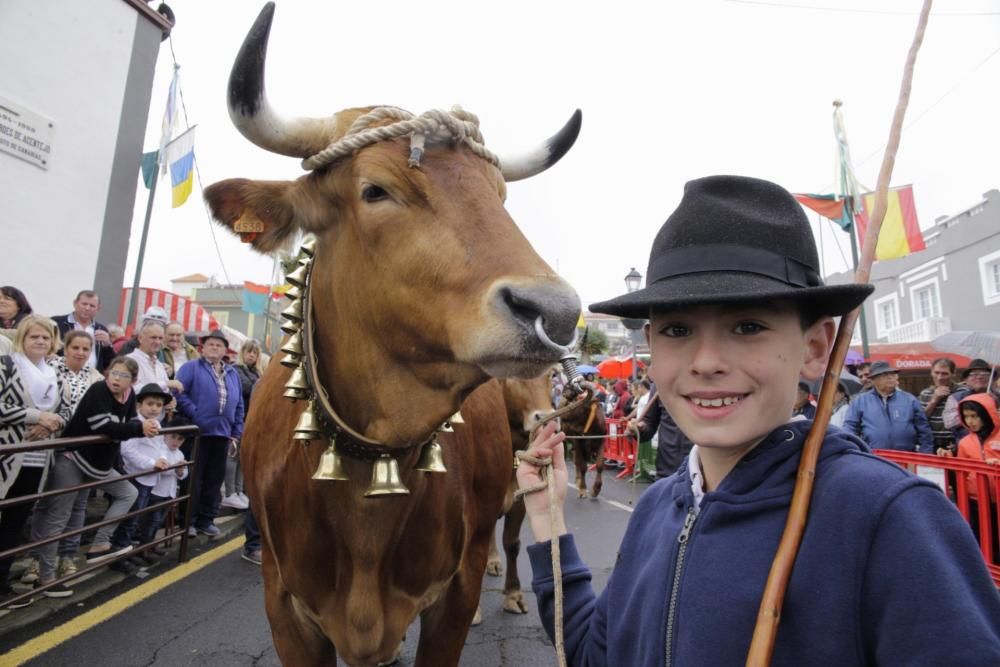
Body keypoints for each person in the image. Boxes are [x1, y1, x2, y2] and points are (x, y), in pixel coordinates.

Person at [515, 175, 1000, 665]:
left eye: (747, 326)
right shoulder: (656, 509)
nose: (705, 362)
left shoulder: (891, 518)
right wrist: (549, 519)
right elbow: (592, 657)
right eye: (677, 330)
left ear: (813, 350)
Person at [33, 356, 156, 591]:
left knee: (127, 493)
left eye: (124, 376)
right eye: (114, 373)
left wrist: (136, 428)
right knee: (59, 516)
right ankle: (46, 578)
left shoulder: (129, 397)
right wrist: (140, 428)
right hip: (72, 458)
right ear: (107, 373)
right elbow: (105, 426)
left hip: (97, 464)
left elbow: (124, 428)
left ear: (134, 380)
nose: (117, 380)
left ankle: (99, 543)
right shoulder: (98, 389)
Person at [21, 331, 105, 585]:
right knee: (46, 505)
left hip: (81, 450)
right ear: (65, 348)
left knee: (78, 505)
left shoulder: (96, 377)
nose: (80, 352)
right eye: (75, 347)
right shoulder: (50, 369)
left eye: (85, 348)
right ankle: (38, 558)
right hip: (51, 444)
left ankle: (67, 555)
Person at [0, 316, 65, 607]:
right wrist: (36, 417)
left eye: (45, 338)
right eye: (33, 337)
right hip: (7, 456)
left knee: (15, 523)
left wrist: (48, 424)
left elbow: (64, 413)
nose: (40, 342)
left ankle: (1, 585)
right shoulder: (6, 365)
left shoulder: (55, 373)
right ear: (22, 339)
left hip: (37, 459)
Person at [176, 330, 244, 537]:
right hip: (198, 434)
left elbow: (239, 405)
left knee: (215, 481)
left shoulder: (233, 373)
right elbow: (178, 393)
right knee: (194, 480)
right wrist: (195, 413)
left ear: (225, 350)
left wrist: (236, 432)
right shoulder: (191, 368)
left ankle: (207, 519)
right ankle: (189, 522)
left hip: (222, 435)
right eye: (211, 344)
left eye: (219, 345)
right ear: (202, 348)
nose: (214, 348)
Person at [111, 383, 175, 567]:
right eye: (150, 404)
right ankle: (119, 552)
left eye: (158, 405)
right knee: (129, 518)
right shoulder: (134, 424)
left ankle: (131, 550)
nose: (154, 408)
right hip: (136, 476)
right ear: (140, 404)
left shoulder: (157, 424)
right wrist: (151, 463)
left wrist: (162, 459)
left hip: (149, 477)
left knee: (138, 517)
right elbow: (128, 451)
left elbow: (161, 445)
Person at [942, 394, 1000, 562]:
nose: (970, 421)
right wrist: (948, 459)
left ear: (987, 414)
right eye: (966, 416)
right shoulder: (965, 442)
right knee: (982, 538)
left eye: (974, 416)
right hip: (977, 501)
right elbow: (961, 470)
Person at [842, 360, 933, 453]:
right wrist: (856, 452)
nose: (890, 377)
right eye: (885, 375)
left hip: (906, 457)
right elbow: (850, 427)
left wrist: (925, 455)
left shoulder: (910, 400)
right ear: (874, 380)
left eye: (892, 374)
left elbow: (924, 431)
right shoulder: (860, 401)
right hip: (874, 457)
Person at [140, 415, 189, 554]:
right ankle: (145, 546)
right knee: (152, 521)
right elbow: (162, 469)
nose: (176, 441)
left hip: (169, 493)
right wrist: (176, 468)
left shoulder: (179, 453)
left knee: (158, 521)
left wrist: (180, 471)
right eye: (173, 436)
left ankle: (151, 545)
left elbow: (184, 474)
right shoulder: (160, 450)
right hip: (157, 492)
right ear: (165, 435)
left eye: (180, 439)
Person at [225, 339, 263, 510]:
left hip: (250, 420)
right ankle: (230, 492)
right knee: (233, 456)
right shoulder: (236, 369)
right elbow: (248, 388)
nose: (251, 355)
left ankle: (239, 491)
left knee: (242, 458)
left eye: (255, 353)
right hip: (238, 419)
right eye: (249, 352)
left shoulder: (256, 372)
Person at [52, 290, 115, 372]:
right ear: (75, 303)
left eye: (92, 306)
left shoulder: (101, 329)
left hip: (91, 380)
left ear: (98, 308)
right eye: (84, 304)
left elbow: (109, 363)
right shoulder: (56, 323)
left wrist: (107, 345)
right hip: (60, 375)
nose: (87, 308)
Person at [943, 359, 999, 443]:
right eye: (974, 374)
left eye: (985, 374)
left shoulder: (997, 397)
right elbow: (949, 423)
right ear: (966, 380)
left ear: (992, 379)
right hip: (966, 446)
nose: (980, 377)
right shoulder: (956, 398)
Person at [919, 358, 960, 454]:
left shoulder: (961, 391)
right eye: (936, 373)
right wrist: (934, 400)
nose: (939, 377)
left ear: (953, 374)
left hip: (954, 443)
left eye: (944, 373)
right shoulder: (925, 393)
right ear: (931, 372)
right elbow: (920, 420)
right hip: (931, 444)